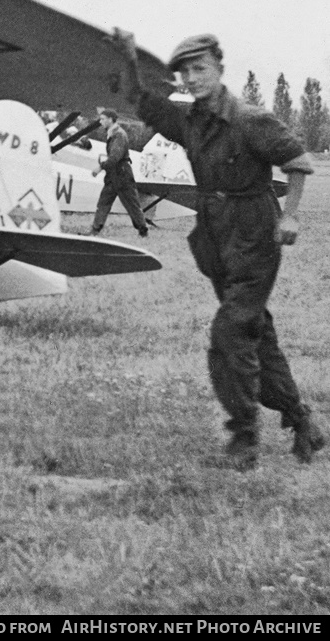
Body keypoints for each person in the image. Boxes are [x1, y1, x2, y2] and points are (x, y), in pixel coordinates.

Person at [113, 30, 321, 469]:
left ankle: (244, 439)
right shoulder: (191, 122)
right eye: (185, 72)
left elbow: (298, 161)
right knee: (255, 336)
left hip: (254, 236)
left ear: (219, 69)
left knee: (230, 332)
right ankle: (303, 422)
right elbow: (138, 98)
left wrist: (292, 215)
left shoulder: (249, 118)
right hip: (215, 237)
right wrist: (130, 57)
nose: (191, 78)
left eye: (199, 68)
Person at [88, 108, 149, 237]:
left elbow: (115, 157)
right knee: (104, 202)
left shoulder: (119, 134)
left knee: (131, 204)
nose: (101, 122)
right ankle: (95, 230)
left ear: (111, 120)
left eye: (103, 119)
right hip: (114, 174)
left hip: (122, 174)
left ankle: (143, 230)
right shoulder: (112, 133)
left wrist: (100, 168)